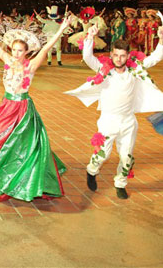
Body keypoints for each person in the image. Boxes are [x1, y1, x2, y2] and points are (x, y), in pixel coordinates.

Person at [0, 6, 70, 202]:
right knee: (0, 140)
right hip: (7, 106)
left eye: (20, 50)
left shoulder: (31, 65)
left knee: (24, 147)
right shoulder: (6, 59)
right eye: (14, 49)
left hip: (22, 109)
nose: (16, 53)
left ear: (26, 51)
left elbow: (46, 48)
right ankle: (6, 178)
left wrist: (61, 28)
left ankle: (22, 182)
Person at [65, 20, 163, 199]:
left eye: (122, 55)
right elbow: (88, 58)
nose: (119, 59)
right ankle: (92, 171)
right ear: (111, 54)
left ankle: (120, 183)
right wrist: (90, 36)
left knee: (126, 156)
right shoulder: (105, 69)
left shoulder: (135, 70)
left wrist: (162, 41)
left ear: (128, 56)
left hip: (128, 121)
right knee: (102, 155)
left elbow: (154, 58)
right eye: (116, 55)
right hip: (108, 120)